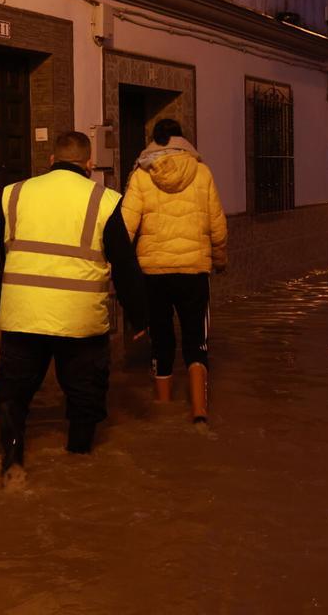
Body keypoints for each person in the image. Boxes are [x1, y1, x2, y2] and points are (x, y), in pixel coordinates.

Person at [0, 131, 147, 485]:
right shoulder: (104, 200)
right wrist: (139, 315)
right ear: (89, 164)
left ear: (50, 161)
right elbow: (124, 263)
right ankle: (79, 460)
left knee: (13, 391)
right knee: (84, 394)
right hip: (80, 319)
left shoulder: (15, 194)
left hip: (23, 314)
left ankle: (13, 460)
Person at [121, 119, 226, 426]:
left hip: (153, 273)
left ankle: (162, 407)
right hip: (193, 272)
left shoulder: (142, 175)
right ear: (183, 139)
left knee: (162, 340)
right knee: (197, 342)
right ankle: (199, 413)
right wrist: (219, 258)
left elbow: (126, 225)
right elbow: (217, 223)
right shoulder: (202, 172)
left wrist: (119, 267)